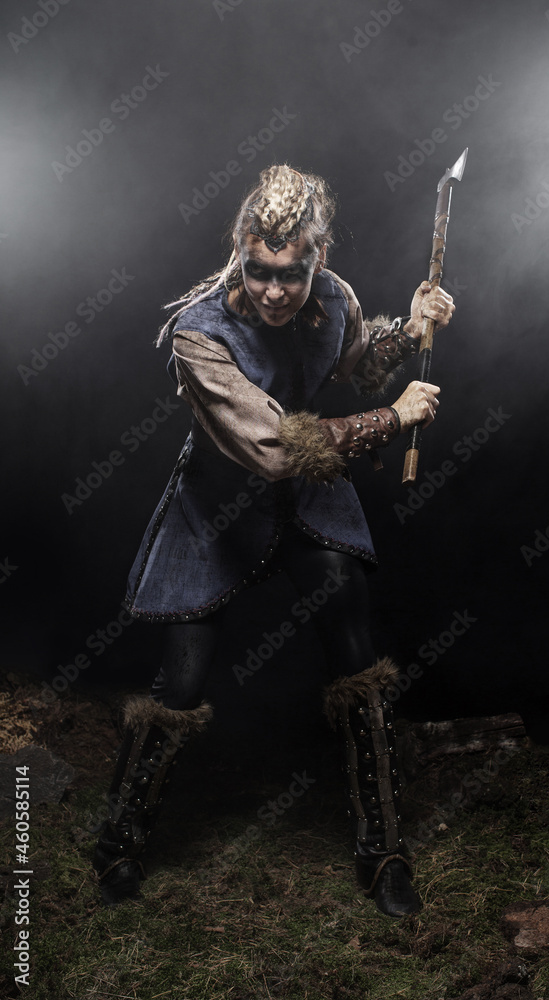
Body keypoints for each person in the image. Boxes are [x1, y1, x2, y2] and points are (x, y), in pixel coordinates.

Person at [92, 164, 455, 917]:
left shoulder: (334, 297)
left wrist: (407, 329)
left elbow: (355, 367)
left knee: (357, 659)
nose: (274, 292)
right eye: (259, 273)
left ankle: (383, 850)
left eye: (291, 274)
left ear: (315, 259)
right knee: (181, 682)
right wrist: (393, 420)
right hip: (217, 505)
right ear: (240, 254)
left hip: (310, 494)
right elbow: (271, 449)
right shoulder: (197, 334)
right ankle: (120, 841)